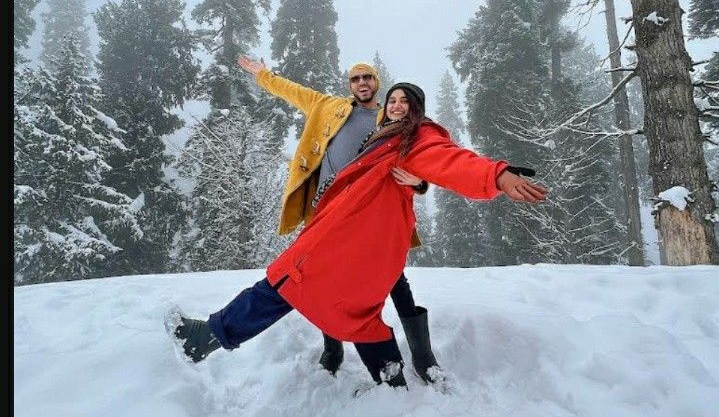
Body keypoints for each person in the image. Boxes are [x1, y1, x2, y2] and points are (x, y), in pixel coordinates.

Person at [174, 82, 548, 390]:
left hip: (348, 238)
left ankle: (204, 337)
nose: (398, 105)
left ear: (417, 110)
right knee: (359, 311)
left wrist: (496, 175)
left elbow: (449, 160)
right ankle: (391, 379)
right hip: (361, 240)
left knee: (283, 282)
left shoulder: (416, 136)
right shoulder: (384, 137)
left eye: (407, 101)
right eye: (394, 100)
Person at [235, 55, 442, 383]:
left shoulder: (391, 118)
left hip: (372, 218)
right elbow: (291, 90)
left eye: (368, 78)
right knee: (321, 279)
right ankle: (333, 348)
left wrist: (420, 183)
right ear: (349, 85)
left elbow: (422, 160)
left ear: (377, 84)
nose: (362, 82)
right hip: (325, 213)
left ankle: (421, 353)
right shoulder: (326, 106)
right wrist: (262, 75)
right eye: (356, 78)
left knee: (394, 278)